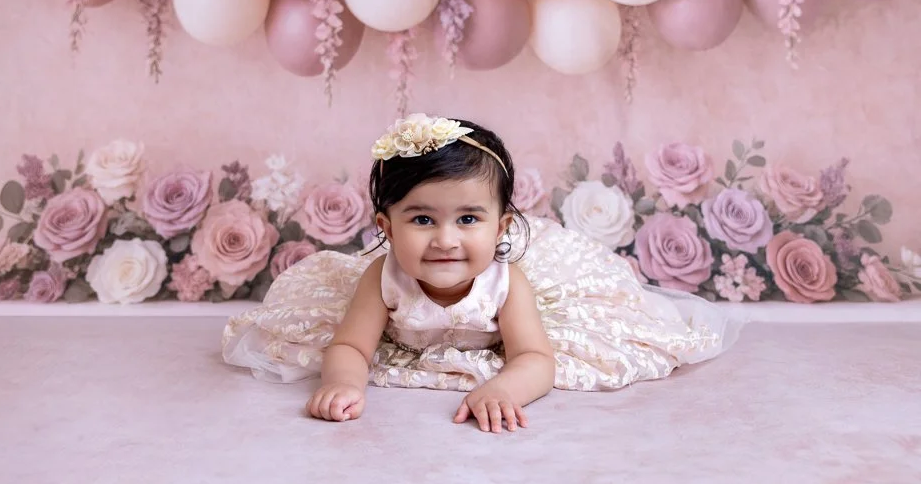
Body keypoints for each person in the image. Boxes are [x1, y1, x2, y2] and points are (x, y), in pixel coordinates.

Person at [222, 113, 743, 433]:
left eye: (468, 219)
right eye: (422, 219)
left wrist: (505, 390)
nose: (446, 239)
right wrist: (343, 384)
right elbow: (351, 347)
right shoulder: (382, 277)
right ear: (386, 225)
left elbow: (535, 358)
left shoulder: (505, 281)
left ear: (500, 227)